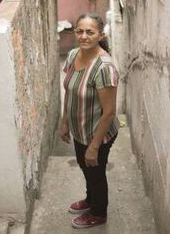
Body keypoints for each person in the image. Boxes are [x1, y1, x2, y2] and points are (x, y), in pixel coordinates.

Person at [60, 13, 120, 228]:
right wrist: (64, 121)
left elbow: (109, 112)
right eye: (80, 31)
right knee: (86, 168)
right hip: (79, 129)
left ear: (100, 35)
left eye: (90, 32)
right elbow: (69, 91)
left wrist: (94, 146)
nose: (83, 36)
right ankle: (90, 199)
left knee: (95, 171)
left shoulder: (105, 68)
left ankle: (98, 212)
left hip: (98, 134)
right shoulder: (73, 54)